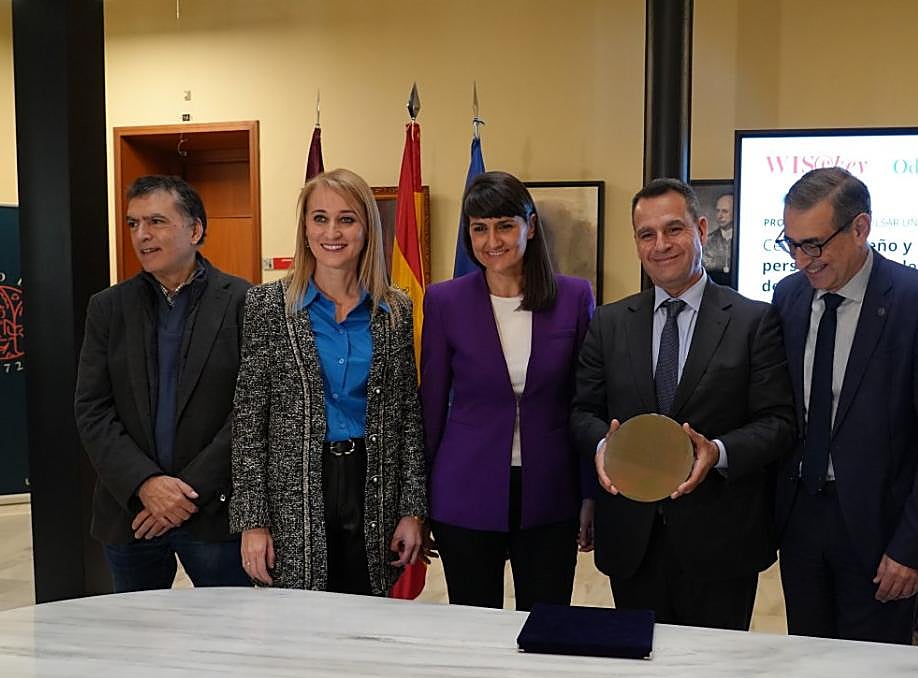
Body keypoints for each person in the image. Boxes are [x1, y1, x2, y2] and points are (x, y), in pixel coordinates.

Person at [571, 177, 794, 630]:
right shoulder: (610, 323)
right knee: (639, 674)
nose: (660, 245)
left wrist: (718, 452)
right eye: (646, 234)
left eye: (673, 229)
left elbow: (778, 421)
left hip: (722, 540)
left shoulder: (754, 320)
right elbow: (581, 413)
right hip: (634, 540)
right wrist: (603, 448)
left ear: (702, 228)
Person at [771, 167, 918, 644]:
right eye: (792, 244)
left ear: (860, 228)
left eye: (814, 244)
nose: (803, 260)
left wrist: (913, 549)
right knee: (808, 667)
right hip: (801, 519)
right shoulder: (789, 296)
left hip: (882, 531)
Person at [230, 168, 426, 595]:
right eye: (319, 218)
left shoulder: (395, 310)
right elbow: (248, 422)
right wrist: (253, 521)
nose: (332, 232)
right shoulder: (267, 306)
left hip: (372, 484)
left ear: (366, 228)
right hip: (294, 491)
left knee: (364, 617)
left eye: (346, 219)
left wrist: (412, 511)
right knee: (299, 627)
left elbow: (407, 419)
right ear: (304, 227)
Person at [421, 171, 595, 610]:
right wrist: (417, 501)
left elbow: (586, 402)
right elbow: (431, 406)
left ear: (530, 226)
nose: (491, 240)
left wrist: (590, 493)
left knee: (548, 623)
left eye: (504, 225)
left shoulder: (574, 298)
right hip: (465, 491)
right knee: (474, 629)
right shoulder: (445, 301)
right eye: (479, 228)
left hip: (551, 492)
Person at [75, 175, 251, 592]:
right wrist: (145, 485)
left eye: (156, 221)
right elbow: (92, 409)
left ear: (195, 229)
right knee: (138, 646)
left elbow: (250, 410)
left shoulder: (246, 302)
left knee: (229, 644)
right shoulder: (108, 308)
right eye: (134, 223)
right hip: (132, 512)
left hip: (214, 513)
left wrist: (184, 493)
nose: (142, 235)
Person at [702, 191, 735, 286]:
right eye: (718, 211)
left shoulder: (745, 240)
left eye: (725, 211)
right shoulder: (707, 241)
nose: (720, 216)